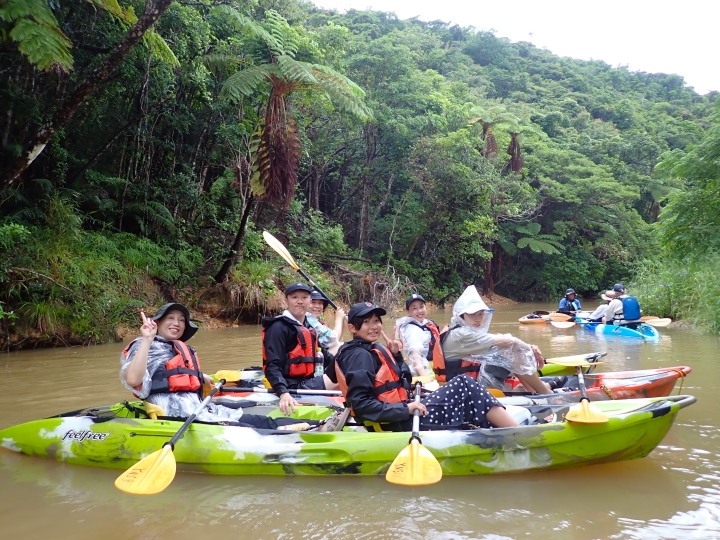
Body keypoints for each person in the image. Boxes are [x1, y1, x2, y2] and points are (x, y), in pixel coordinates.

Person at [328, 302, 518, 432]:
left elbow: (404, 382)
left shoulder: (362, 349)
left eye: (376, 321)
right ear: (352, 328)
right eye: (366, 322)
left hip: (399, 415)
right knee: (464, 384)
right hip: (397, 423)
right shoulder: (360, 356)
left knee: (465, 388)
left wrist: (396, 355)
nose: (374, 327)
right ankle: (516, 433)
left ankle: (499, 430)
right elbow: (361, 405)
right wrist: (406, 409)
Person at [120, 303, 278, 428]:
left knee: (266, 422)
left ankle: (293, 426)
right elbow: (133, 380)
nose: (176, 323)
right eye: (171, 318)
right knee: (253, 429)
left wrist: (200, 376)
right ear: (158, 322)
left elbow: (169, 373)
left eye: (181, 320)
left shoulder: (177, 348)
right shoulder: (144, 344)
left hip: (201, 409)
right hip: (177, 417)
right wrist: (147, 339)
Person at [441, 286, 556, 394]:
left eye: (480, 314)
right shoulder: (461, 334)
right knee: (511, 351)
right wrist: (531, 350)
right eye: (472, 314)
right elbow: (509, 341)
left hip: (466, 383)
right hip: (465, 389)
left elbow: (503, 342)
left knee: (509, 350)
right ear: (461, 316)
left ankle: (532, 390)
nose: (477, 319)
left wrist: (528, 348)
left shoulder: (459, 331)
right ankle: (545, 393)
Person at [262, 282, 339, 415]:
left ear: (309, 302)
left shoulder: (308, 327)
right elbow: (272, 365)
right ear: (286, 301)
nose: (300, 301)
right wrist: (283, 392)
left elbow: (326, 356)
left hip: (309, 380)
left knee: (346, 369)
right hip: (293, 387)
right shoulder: (278, 327)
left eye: (304, 297)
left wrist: (347, 362)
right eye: (295, 297)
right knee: (342, 378)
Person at [396, 293, 447, 380]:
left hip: (432, 365)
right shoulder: (411, 329)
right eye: (414, 308)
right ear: (408, 312)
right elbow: (415, 355)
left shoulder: (427, 324)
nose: (419, 311)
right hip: (421, 371)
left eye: (421, 307)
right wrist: (424, 376)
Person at [306, 290, 345, 355]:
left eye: (320, 303)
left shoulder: (315, 320)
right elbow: (334, 337)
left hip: (316, 353)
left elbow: (336, 341)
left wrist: (341, 320)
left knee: (343, 345)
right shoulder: (308, 319)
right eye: (313, 302)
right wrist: (338, 319)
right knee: (347, 348)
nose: (317, 306)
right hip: (311, 356)